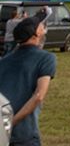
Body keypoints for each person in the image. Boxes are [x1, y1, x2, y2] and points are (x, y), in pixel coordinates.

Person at [0, 16, 55, 146]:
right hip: (24, 133)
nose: (44, 29)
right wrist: (11, 122)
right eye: (41, 27)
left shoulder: (5, 60)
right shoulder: (46, 58)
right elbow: (38, 96)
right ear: (35, 34)